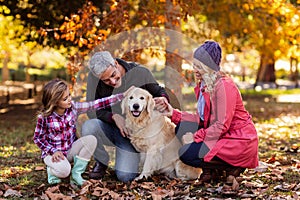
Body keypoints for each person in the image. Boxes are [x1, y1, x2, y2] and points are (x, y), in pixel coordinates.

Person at [157, 41, 259, 183]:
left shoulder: (224, 86)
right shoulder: (206, 84)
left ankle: (231, 167)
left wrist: (195, 137)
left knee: (187, 154)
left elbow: (221, 126)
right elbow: (202, 119)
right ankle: (211, 170)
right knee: (181, 126)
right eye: (195, 65)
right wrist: (173, 113)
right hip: (223, 134)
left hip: (238, 140)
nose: (195, 69)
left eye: (200, 66)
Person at [81, 51, 170, 182]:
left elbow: (159, 90)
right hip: (110, 128)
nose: (112, 81)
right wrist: (114, 117)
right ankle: (101, 161)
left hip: (133, 134)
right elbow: (91, 110)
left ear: (116, 64)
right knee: (89, 127)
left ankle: (134, 157)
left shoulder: (140, 72)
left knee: (125, 176)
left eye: (113, 75)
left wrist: (164, 99)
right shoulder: (94, 78)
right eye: (106, 80)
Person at [33, 79, 126, 186]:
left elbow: (95, 104)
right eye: (65, 99)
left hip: (69, 150)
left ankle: (76, 174)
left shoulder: (73, 108)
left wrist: (121, 96)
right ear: (55, 102)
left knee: (91, 140)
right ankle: (52, 171)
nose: (69, 100)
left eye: (69, 95)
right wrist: (53, 151)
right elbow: (38, 139)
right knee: (64, 171)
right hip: (52, 154)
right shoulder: (44, 118)